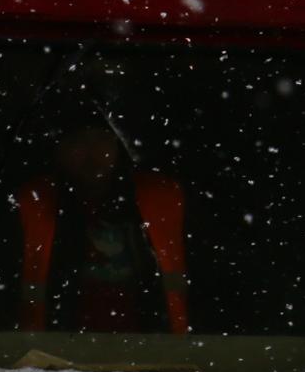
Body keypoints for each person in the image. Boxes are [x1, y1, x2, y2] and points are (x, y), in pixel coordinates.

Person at [13, 125, 190, 335]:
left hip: (145, 346)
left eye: (102, 138)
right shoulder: (32, 204)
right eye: (79, 141)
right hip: (61, 348)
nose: (92, 151)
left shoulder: (159, 198)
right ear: (59, 149)